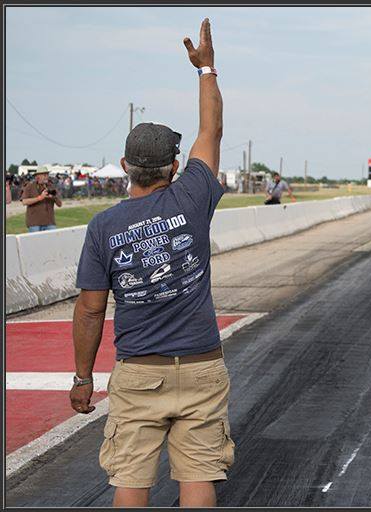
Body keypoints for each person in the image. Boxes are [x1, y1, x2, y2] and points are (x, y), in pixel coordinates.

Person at [69, 18, 233, 508]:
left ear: (124, 168)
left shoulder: (103, 226)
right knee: (199, 476)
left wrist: (82, 377)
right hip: (202, 365)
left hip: (139, 372)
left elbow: (91, 310)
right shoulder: (193, 195)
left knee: (130, 482)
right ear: (174, 167)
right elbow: (213, 129)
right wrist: (206, 69)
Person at [20, 166, 63, 232]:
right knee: (34, 242)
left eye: (47, 174)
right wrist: (39, 198)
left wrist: (53, 197)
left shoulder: (51, 186)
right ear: (37, 176)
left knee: (53, 241)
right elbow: (24, 202)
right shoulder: (30, 186)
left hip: (50, 223)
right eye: (44, 175)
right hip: (34, 223)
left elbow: (60, 204)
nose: (46, 176)